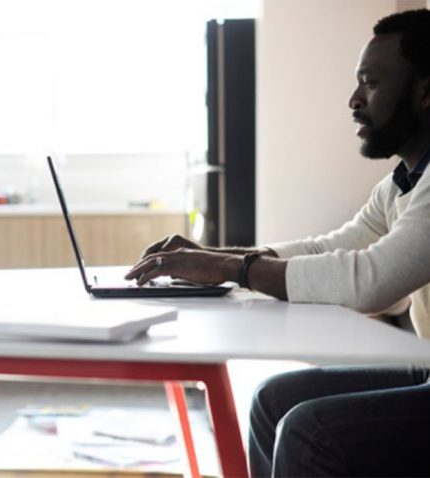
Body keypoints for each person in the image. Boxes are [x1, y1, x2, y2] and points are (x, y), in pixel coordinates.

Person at [126, 8, 430, 476]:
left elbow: (371, 281)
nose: (353, 100)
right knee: (273, 399)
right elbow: (330, 248)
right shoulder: (402, 184)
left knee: (310, 432)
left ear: (425, 92)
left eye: (369, 83)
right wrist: (212, 257)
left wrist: (231, 269)